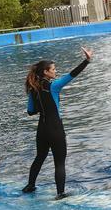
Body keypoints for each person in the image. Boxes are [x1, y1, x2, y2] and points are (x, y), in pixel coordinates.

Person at [22, 47, 93, 199]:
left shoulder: (33, 88)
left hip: (42, 129)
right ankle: (60, 193)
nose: (55, 71)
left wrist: (41, 106)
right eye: (53, 69)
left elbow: (30, 111)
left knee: (39, 157)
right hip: (55, 129)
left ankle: (30, 185)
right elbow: (72, 75)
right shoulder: (53, 86)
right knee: (59, 162)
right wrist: (86, 61)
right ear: (46, 72)